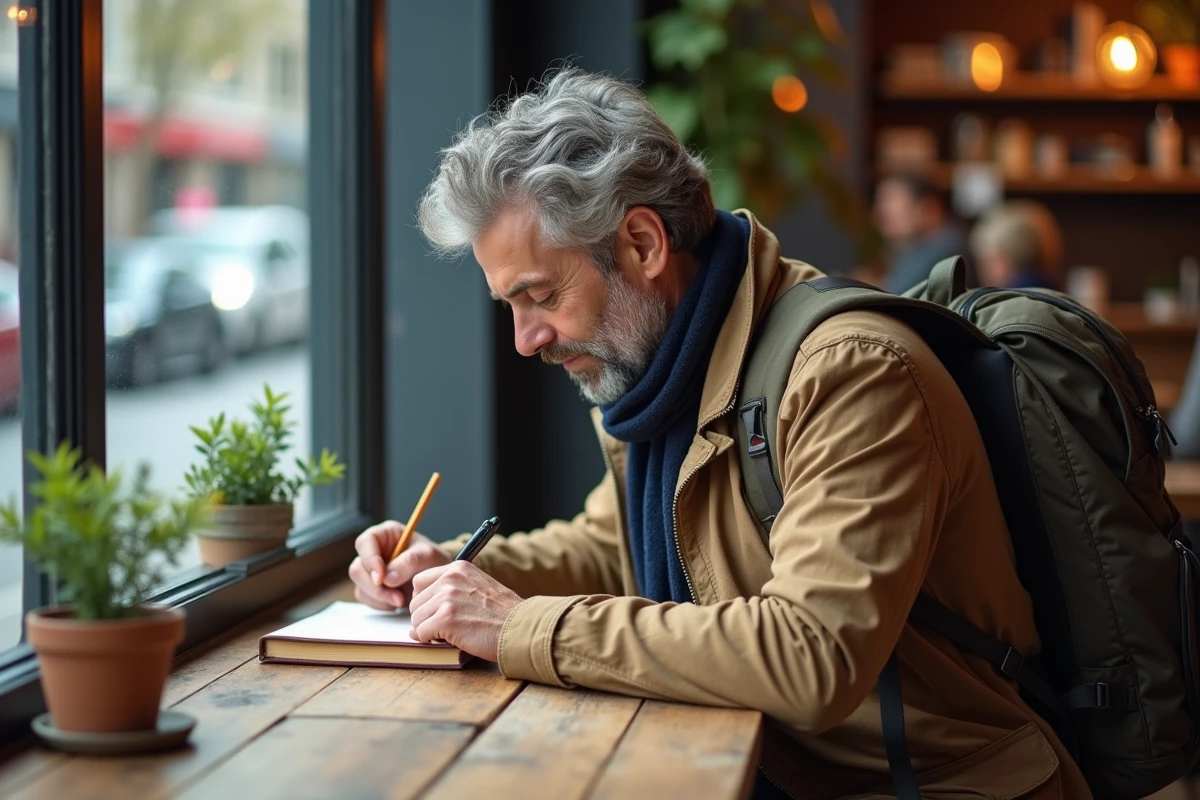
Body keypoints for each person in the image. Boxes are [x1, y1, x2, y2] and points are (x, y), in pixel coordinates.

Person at [347, 69, 1089, 799]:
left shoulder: (850, 372)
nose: (524, 338)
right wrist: (446, 571)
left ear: (643, 244)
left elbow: (811, 655)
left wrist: (519, 624)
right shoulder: (659, 375)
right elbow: (611, 548)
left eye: (540, 295)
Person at [872, 173, 967, 294]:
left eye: (890, 199)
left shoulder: (946, 248)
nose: (880, 210)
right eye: (880, 200)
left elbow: (893, 292)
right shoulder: (914, 248)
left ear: (928, 207)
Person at [969, 200, 1064, 290]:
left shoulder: (1004, 299)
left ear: (999, 261)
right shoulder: (1056, 293)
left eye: (985, 262)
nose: (982, 272)